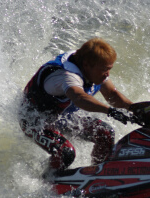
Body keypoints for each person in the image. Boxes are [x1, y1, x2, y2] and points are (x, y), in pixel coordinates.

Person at [19, 38, 133, 171]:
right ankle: (47, 182)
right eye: (104, 70)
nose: (107, 75)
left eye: (109, 69)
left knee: (105, 133)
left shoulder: (92, 64)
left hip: (61, 117)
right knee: (66, 153)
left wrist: (134, 108)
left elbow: (112, 95)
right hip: (34, 120)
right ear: (86, 65)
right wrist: (109, 111)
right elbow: (79, 97)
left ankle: (98, 174)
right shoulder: (68, 76)